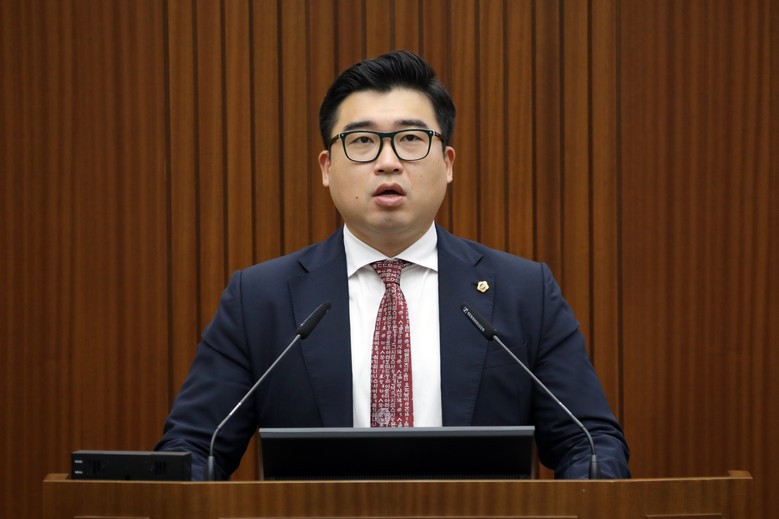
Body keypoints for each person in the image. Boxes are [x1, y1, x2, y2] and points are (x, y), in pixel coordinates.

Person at [155, 50, 630, 480]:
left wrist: (592, 487)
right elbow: (194, 448)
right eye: (362, 140)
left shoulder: (524, 292)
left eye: (411, 139)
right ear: (326, 168)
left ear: (447, 163)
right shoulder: (260, 299)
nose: (387, 162)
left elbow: (589, 443)